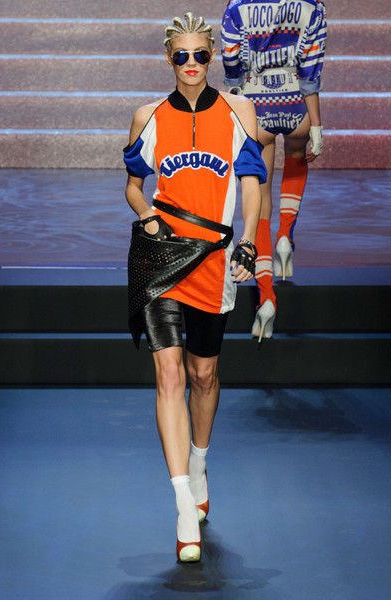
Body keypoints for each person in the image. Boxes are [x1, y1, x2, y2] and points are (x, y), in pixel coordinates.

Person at [123, 12, 267, 562]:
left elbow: (251, 184)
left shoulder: (238, 111)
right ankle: (184, 505)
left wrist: (248, 243)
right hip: (161, 258)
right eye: (180, 55)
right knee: (169, 374)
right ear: (168, 58)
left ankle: (199, 464)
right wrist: (147, 216)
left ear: (212, 57)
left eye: (200, 55)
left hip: (214, 259)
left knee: (203, 374)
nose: (190, 64)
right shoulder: (148, 116)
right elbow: (134, 187)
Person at [221, 0, 327, 341]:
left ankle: (266, 298)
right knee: (296, 158)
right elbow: (311, 67)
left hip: (256, 103)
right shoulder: (311, 5)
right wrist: (316, 125)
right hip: (296, 102)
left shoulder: (238, 6)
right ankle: (285, 236)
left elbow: (231, 60)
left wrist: (236, 93)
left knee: (259, 201)